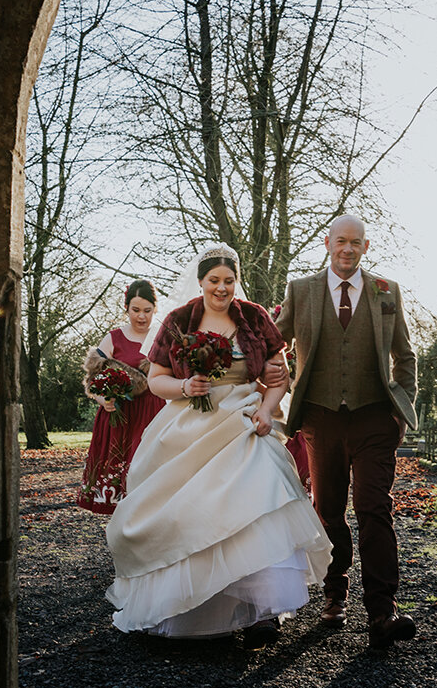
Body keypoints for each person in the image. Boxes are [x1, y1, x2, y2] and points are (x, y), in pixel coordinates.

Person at [104, 245, 332, 646]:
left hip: (245, 421)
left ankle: (260, 611)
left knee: (260, 504)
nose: (222, 288)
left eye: (229, 281)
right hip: (190, 423)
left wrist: (267, 409)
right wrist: (185, 386)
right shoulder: (178, 320)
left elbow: (278, 375)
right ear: (201, 281)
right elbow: (156, 379)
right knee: (192, 512)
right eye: (214, 281)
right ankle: (198, 604)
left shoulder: (255, 317)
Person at [275, 214, 419, 651]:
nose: (348, 249)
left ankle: (382, 610)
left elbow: (405, 356)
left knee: (374, 507)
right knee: (329, 508)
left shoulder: (386, 291)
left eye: (356, 242)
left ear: (366, 246)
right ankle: (334, 594)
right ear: (327, 243)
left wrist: (400, 411)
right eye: (341, 241)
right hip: (321, 417)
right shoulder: (300, 290)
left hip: (375, 417)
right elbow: (272, 342)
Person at [77, 280, 165, 514]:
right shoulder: (114, 338)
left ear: (155, 309)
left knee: (145, 471)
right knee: (120, 478)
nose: (141, 316)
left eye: (147, 310)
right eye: (135, 310)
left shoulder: (161, 338)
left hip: (152, 413)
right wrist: (102, 400)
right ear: (126, 308)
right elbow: (92, 381)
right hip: (119, 415)